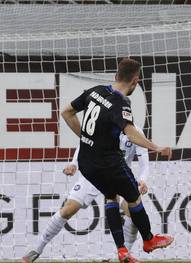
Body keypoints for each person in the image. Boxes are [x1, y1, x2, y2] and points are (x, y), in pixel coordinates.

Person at [60, 58, 173, 263]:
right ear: (135, 81)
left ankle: (121, 250)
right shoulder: (121, 103)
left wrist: (86, 138)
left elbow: (66, 112)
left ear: (115, 76)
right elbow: (131, 134)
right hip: (109, 163)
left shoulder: (95, 91)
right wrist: (157, 147)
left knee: (111, 197)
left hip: (87, 163)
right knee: (134, 199)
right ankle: (148, 240)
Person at [22, 125, 150, 263]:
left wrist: (142, 179)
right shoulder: (103, 122)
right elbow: (84, 143)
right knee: (68, 210)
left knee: (134, 212)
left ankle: (125, 255)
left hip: (121, 175)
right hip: (95, 171)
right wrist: (74, 164)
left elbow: (145, 162)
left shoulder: (136, 132)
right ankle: (36, 249)